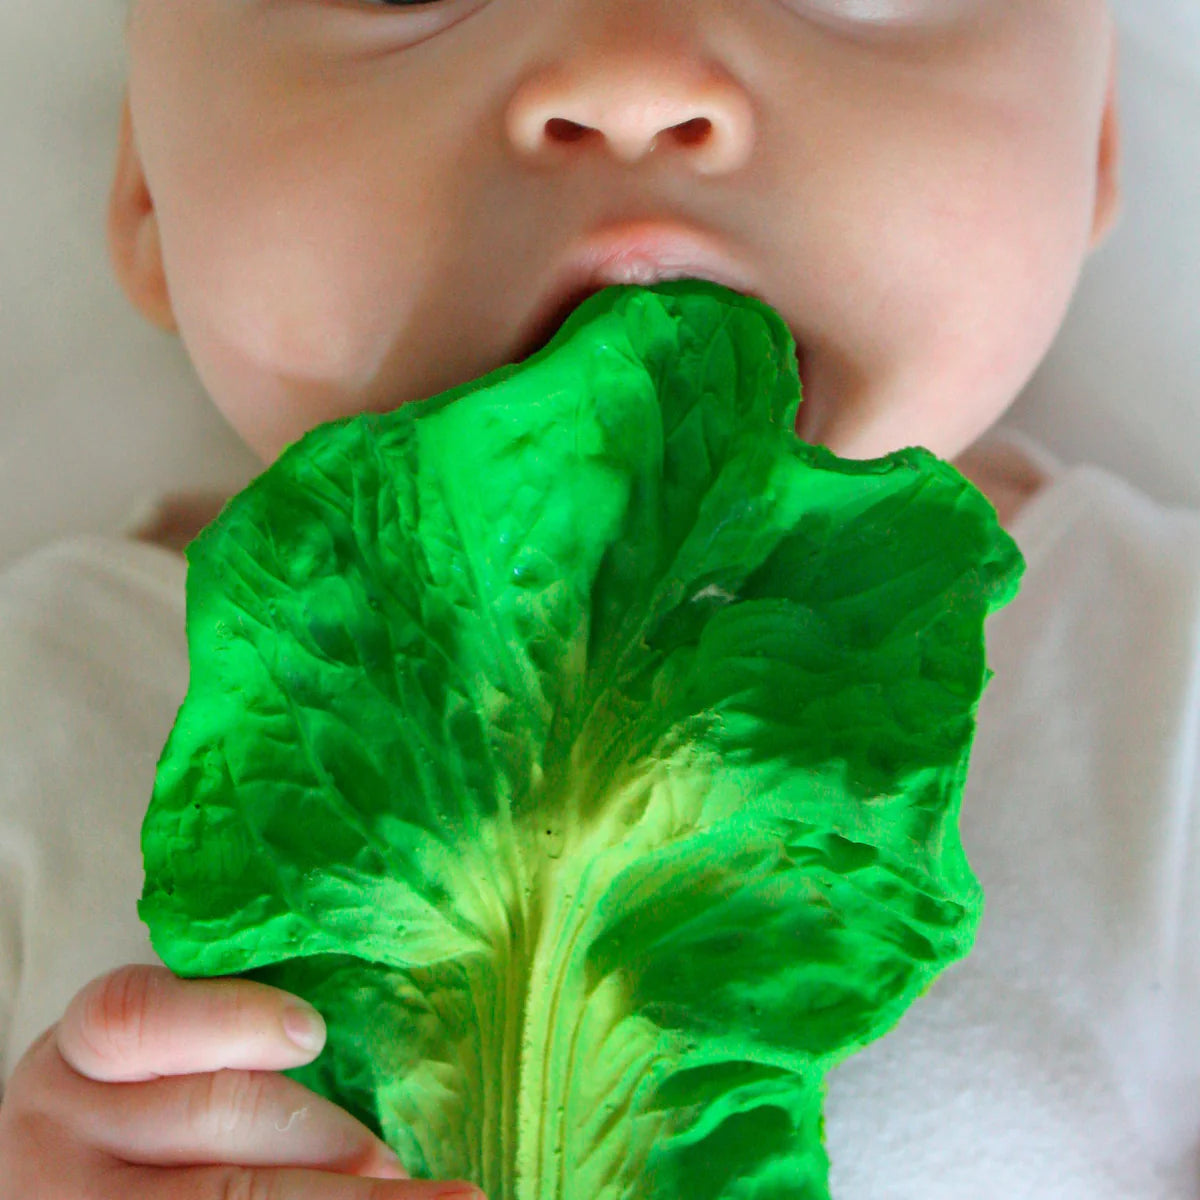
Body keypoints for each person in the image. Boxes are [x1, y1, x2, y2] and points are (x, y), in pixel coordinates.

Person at [1, 0, 1196, 1196]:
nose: (633, 78)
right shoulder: (39, 700)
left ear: (1092, 141)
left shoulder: (1165, 678)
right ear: (149, 181)